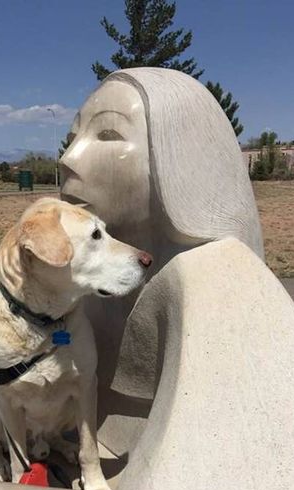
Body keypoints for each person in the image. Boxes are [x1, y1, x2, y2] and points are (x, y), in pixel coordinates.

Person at [60, 68, 263, 457]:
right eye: (71, 139)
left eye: (107, 134)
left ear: (179, 158)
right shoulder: (81, 267)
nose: (69, 158)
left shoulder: (210, 278)